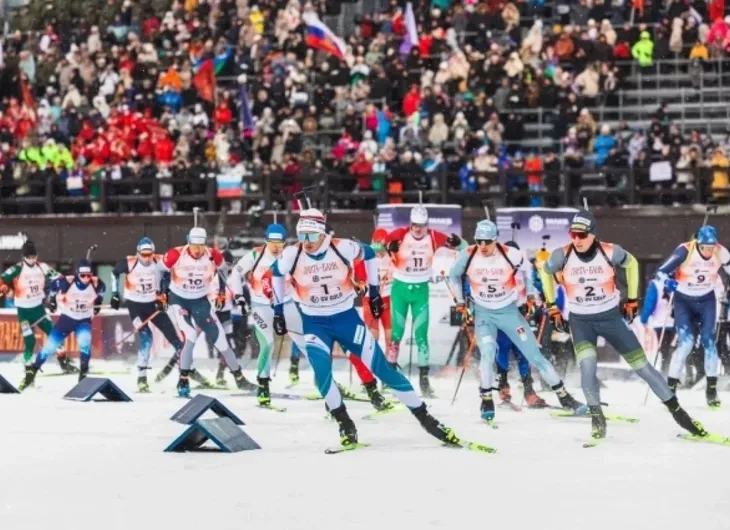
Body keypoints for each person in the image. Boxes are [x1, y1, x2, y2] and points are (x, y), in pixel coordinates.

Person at [271, 208, 472, 450]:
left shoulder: (342, 247)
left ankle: (426, 418)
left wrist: (375, 292)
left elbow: (368, 253)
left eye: (311, 236)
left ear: (322, 234)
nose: (306, 241)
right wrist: (278, 310)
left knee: (382, 369)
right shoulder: (292, 255)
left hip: (346, 320)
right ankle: (345, 423)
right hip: (315, 323)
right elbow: (276, 273)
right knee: (322, 374)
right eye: (301, 235)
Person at [540, 210, 707, 440]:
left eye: (582, 235)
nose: (577, 239)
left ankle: (679, 414)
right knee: (588, 366)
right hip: (581, 321)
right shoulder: (562, 254)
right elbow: (545, 271)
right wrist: (552, 306)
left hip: (610, 318)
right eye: (573, 234)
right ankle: (597, 418)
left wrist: (632, 299)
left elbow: (632, 264)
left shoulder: (610, 251)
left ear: (593, 234)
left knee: (643, 367)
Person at [448, 220, 584, 422]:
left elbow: (528, 270)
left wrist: (530, 295)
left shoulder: (509, 254)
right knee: (487, 354)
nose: (483, 246)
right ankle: (486, 400)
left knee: (535, 355)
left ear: (495, 240)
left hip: (509, 313)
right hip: (484, 314)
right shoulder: (467, 255)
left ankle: (565, 398)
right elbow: (453, 276)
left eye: (487, 241)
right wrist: (460, 301)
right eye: (479, 241)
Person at [161, 226, 256, 397]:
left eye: (200, 246)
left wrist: (221, 293)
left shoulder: (213, 254)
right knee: (190, 336)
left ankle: (239, 378)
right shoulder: (176, 253)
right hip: (179, 300)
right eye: (194, 246)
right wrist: (161, 291)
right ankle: (183, 380)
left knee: (222, 341)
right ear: (188, 243)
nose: (197, 250)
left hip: (200, 302)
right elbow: (159, 269)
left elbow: (223, 270)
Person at [384, 206, 465, 396]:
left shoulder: (434, 236)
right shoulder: (400, 234)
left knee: (421, 336)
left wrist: (459, 242)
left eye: (421, 225)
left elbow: (463, 247)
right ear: (410, 223)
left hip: (421, 290)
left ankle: (424, 382)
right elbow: (380, 244)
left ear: (426, 224)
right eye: (414, 225)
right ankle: (389, 378)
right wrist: (388, 247)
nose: (418, 229)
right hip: (400, 288)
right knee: (396, 334)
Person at [655, 225, 730, 408]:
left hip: (706, 300)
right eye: (705, 248)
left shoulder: (720, 252)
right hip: (684, 301)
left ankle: (711, 391)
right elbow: (661, 272)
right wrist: (668, 282)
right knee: (686, 344)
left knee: (709, 342)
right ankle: (670, 390)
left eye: (712, 247)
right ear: (698, 243)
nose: (709, 251)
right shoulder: (685, 251)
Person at [234, 222, 307, 407]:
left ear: (285, 242)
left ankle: (326, 381)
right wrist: (239, 297)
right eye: (272, 243)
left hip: (287, 303)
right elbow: (235, 274)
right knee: (267, 345)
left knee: (305, 343)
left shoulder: (290, 256)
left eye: (279, 243)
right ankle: (263, 386)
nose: (275, 247)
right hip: (261, 306)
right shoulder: (255, 255)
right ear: (266, 241)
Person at [110, 237, 188, 392]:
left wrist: (166, 294)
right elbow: (114, 273)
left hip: (154, 305)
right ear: (138, 253)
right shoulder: (130, 262)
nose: (147, 258)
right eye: (143, 255)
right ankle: (142, 378)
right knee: (146, 337)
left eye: (149, 255)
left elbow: (171, 274)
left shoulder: (160, 260)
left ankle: (185, 374)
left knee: (176, 340)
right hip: (135, 305)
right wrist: (115, 294)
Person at [20, 259, 105, 389]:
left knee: (85, 344)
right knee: (49, 348)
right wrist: (52, 300)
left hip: (83, 320)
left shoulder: (97, 283)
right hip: (67, 320)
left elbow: (102, 290)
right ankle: (32, 373)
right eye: (82, 275)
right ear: (77, 274)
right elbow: (53, 286)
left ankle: (83, 375)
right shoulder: (67, 282)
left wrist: (99, 301)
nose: (86, 279)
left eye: (88, 275)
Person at [0, 240, 78, 376]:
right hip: (24, 313)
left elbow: (59, 278)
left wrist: (70, 284)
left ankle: (64, 361)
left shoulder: (42, 267)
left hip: (39, 310)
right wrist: (4, 287)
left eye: (34, 256)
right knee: (30, 341)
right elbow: (2, 279)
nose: (32, 259)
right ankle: (28, 366)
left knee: (54, 334)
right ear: (24, 256)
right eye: (29, 257)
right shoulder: (17, 269)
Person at [494, 240, 547, 407]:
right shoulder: (496, 269)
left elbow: (537, 284)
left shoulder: (524, 269)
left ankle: (529, 392)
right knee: (502, 349)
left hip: (519, 315)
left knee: (523, 351)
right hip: (501, 316)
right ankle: (503, 388)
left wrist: (544, 294)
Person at [207, 248, 246, 387]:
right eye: (226, 264)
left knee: (229, 345)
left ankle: (220, 374)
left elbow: (238, 294)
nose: (227, 267)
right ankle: (184, 371)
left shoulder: (233, 278)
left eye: (230, 264)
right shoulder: (212, 275)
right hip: (212, 314)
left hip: (226, 314)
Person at [638, 276, 675, 375]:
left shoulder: (656, 284)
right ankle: (668, 370)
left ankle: (665, 371)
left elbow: (649, 304)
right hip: (675, 321)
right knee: (671, 348)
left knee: (664, 348)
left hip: (661, 322)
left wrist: (644, 319)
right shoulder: (677, 281)